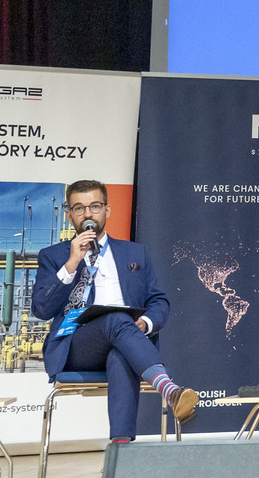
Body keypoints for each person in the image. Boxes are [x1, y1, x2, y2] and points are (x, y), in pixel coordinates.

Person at [31, 180, 199, 458]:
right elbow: (41, 309)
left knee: (120, 353)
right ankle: (169, 389)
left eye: (95, 206)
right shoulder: (53, 256)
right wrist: (72, 263)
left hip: (125, 341)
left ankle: (119, 459)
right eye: (79, 208)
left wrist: (145, 323)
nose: (88, 214)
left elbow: (158, 301)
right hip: (76, 345)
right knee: (116, 320)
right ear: (69, 215)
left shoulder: (134, 253)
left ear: (107, 210)